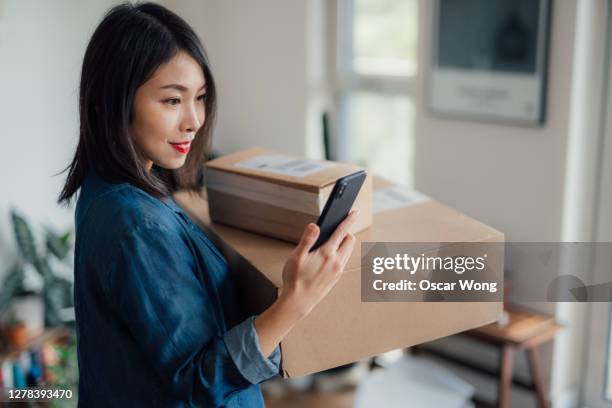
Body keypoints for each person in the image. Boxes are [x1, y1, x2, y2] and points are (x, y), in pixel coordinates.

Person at [57, 2, 356, 407]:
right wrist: (295, 301)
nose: (194, 120)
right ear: (114, 102)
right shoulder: (137, 224)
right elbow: (199, 381)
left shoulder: (115, 188)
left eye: (199, 98)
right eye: (172, 101)